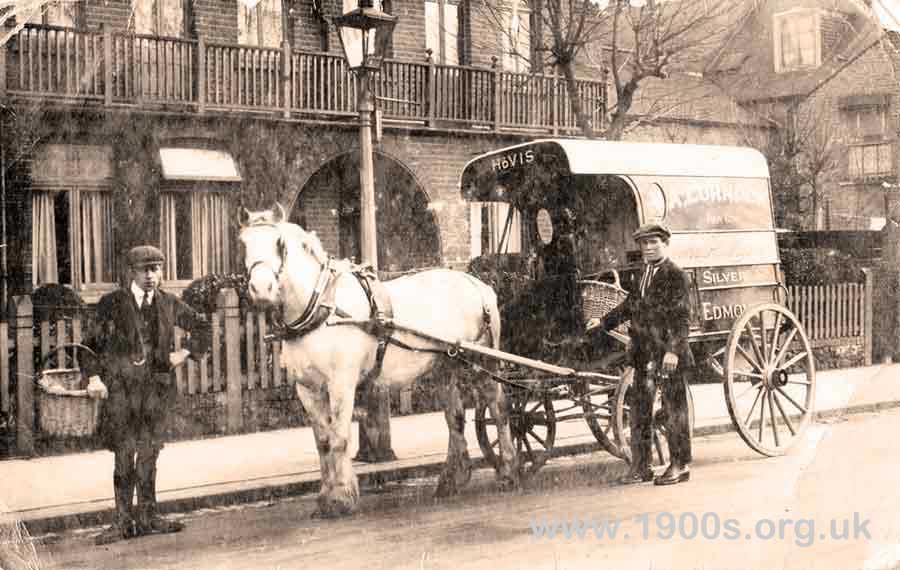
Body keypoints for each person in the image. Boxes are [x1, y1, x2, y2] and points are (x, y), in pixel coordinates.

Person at [84, 245, 211, 545]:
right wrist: (93, 377)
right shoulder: (111, 303)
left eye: (156, 269)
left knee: (150, 453)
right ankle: (122, 522)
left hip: (157, 392)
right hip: (122, 393)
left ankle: (149, 517)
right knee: (124, 455)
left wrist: (186, 352)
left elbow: (203, 327)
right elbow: (90, 345)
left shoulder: (169, 304)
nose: (151, 275)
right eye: (145, 269)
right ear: (131, 272)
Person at [586, 222, 694, 486]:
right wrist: (602, 323)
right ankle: (641, 466)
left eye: (653, 242)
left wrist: (673, 352)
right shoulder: (642, 273)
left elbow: (682, 318)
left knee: (673, 409)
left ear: (665, 244)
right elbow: (629, 306)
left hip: (667, 353)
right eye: (644, 243)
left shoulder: (676, 275)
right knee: (640, 409)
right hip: (643, 352)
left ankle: (679, 465)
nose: (648, 247)